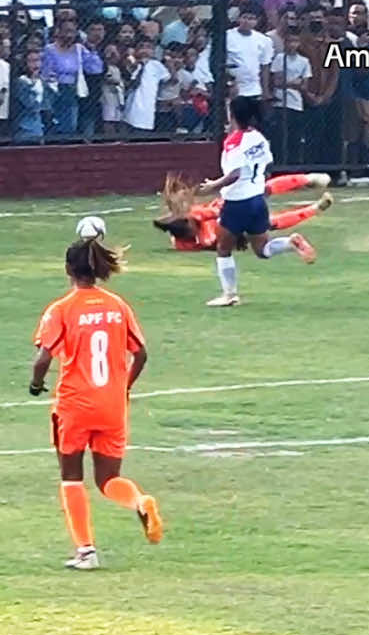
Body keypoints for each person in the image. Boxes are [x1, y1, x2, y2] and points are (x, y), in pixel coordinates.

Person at [30, 234, 162, 570]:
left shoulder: (61, 310)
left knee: (71, 477)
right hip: (112, 405)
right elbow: (141, 354)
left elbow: (43, 359)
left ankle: (86, 552)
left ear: (67, 270)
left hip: (75, 406)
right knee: (108, 479)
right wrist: (124, 387)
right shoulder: (118, 306)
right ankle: (138, 500)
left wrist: (36, 384)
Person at [199, 95, 317, 307]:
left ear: (232, 114)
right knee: (262, 250)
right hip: (257, 200)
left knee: (223, 249)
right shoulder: (258, 137)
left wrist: (213, 186)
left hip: (237, 202)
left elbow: (235, 174)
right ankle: (291, 242)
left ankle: (229, 294)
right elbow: (266, 165)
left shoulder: (233, 142)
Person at [153, 171, 333, 250]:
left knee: (260, 191)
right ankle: (315, 208)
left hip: (228, 210)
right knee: (269, 223)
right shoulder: (193, 242)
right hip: (232, 230)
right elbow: (214, 243)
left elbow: (218, 212)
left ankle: (308, 179)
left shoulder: (196, 216)